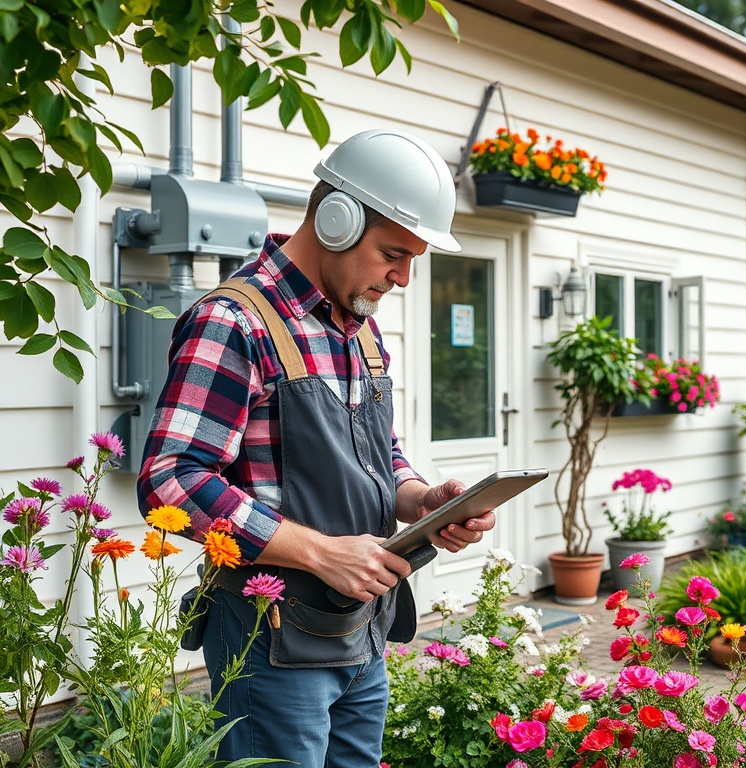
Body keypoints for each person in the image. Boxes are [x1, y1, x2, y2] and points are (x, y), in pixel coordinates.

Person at [137, 128, 495, 767]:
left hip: (361, 626)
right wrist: (321, 553)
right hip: (270, 642)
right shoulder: (234, 322)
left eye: (413, 259)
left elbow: (379, 454)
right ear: (336, 219)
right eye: (393, 253)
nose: (404, 277)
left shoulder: (358, 329)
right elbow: (171, 479)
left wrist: (423, 500)